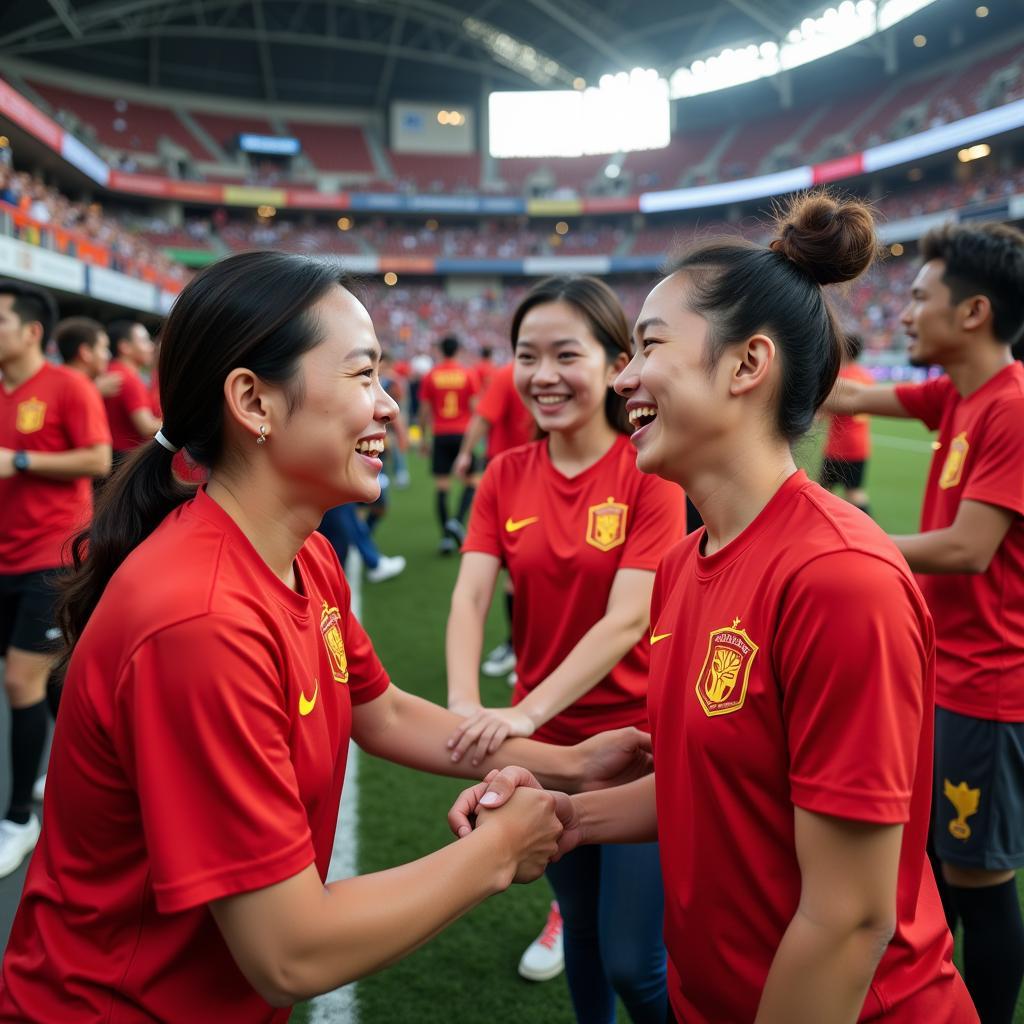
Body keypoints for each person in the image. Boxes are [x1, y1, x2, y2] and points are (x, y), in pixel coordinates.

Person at [0, 252, 654, 1023]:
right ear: (253, 402)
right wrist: (498, 851)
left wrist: (571, 764)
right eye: (360, 375)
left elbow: (383, 715)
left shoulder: (302, 551)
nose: (386, 407)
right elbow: (290, 952)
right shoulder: (200, 620)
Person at [452, 193, 977, 1023]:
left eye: (649, 345)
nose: (622, 377)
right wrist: (561, 816)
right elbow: (700, 788)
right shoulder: (681, 567)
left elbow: (850, 920)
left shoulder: (841, 581)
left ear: (746, 365)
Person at [445, 276, 685, 1020]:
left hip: (640, 749)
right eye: (526, 355)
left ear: (618, 362)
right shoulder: (505, 475)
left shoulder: (651, 473)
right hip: (545, 751)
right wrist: (463, 706)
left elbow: (627, 619)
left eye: (564, 354)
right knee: (579, 928)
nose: (542, 376)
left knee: (634, 963)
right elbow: (471, 596)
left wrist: (521, 712)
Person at [826, 221, 1024, 1024]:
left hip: (987, 690)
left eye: (918, 296)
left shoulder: (1011, 407)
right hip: (945, 679)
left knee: (980, 881)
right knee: (939, 867)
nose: (903, 312)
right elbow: (844, 391)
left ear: (973, 312)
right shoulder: (957, 394)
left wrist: (843, 542)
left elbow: (970, 549)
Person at [0, 280, 112, 878]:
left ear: (31, 330)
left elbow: (97, 460)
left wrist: (18, 461)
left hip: (52, 557)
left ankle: (19, 818)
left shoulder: (67, 387)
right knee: (45, 682)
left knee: (21, 680)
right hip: (4, 557)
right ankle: (94, 758)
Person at [453, 361, 536, 683]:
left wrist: (465, 453)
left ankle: (521, 650)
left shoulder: (507, 374)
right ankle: (520, 649)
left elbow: (483, 417)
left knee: (517, 570)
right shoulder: (516, 375)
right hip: (525, 474)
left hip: (518, 479)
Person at [418, 334, 480, 553]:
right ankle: (457, 521)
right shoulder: (467, 374)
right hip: (463, 434)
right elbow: (475, 408)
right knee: (472, 481)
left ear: (441, 351)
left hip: (441, 435)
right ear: (458, 351)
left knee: (442, 487)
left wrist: (423, 439)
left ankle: (445, 536)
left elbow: (424, 411)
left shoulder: (431, 375)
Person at [819, 331, 874, 515]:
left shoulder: (840, 378)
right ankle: (870, 531)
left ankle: (818, 532)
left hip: (839, 446)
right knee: (855, 491)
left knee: (822, 492)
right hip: (860, 445)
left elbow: (822, 413)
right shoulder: (866, 377)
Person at [103, 318, 160, 465]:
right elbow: (146, 427)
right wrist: (183, 423)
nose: (151, 346)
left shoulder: (111, 371)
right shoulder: (128, 378)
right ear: (125, 347)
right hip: (123, 460)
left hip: (112, 455)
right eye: (144, 341)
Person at [53, 317, 122, 399]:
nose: (108, 355)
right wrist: (93, 391)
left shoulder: (53, 381)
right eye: (104, 348)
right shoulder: (75, 390)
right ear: (85, 352)